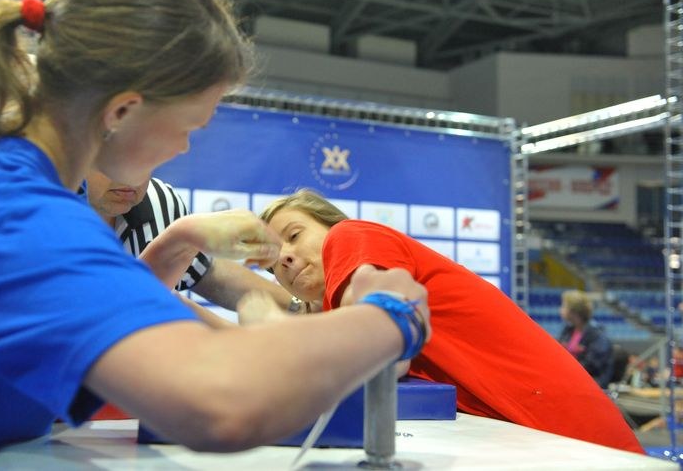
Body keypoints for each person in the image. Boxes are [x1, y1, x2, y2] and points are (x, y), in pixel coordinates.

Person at [0, 0, 430, 470]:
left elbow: (100, 310)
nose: (185, 148)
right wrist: (392, 316)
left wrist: (177, 240)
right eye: (190, 127)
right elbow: (221, 404)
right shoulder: (23, 221)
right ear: (122, 109)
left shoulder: (0, 183)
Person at [259, 189, 643, 454]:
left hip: (580, 441)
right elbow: (278, 307)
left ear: (329, 225)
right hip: (544, 440)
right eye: (274, 262)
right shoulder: (333, 304)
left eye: (294, 235)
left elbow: (377, 348)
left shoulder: (350, 234)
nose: (286, 258)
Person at [85, 171, 297, 312]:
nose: (132, 175)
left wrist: (301, 308)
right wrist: (180, 237)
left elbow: (205, 271)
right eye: (115, 152)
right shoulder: (53, 217)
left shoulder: (161, 201)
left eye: (150, 156)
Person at [558, 289, 615, 388]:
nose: (561, 309)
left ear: (574, 311)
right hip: (570, 381)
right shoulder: (567, 331)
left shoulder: (597, 335)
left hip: (590, 384)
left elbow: (592, 366)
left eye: (564, 306)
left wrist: (565, 371)